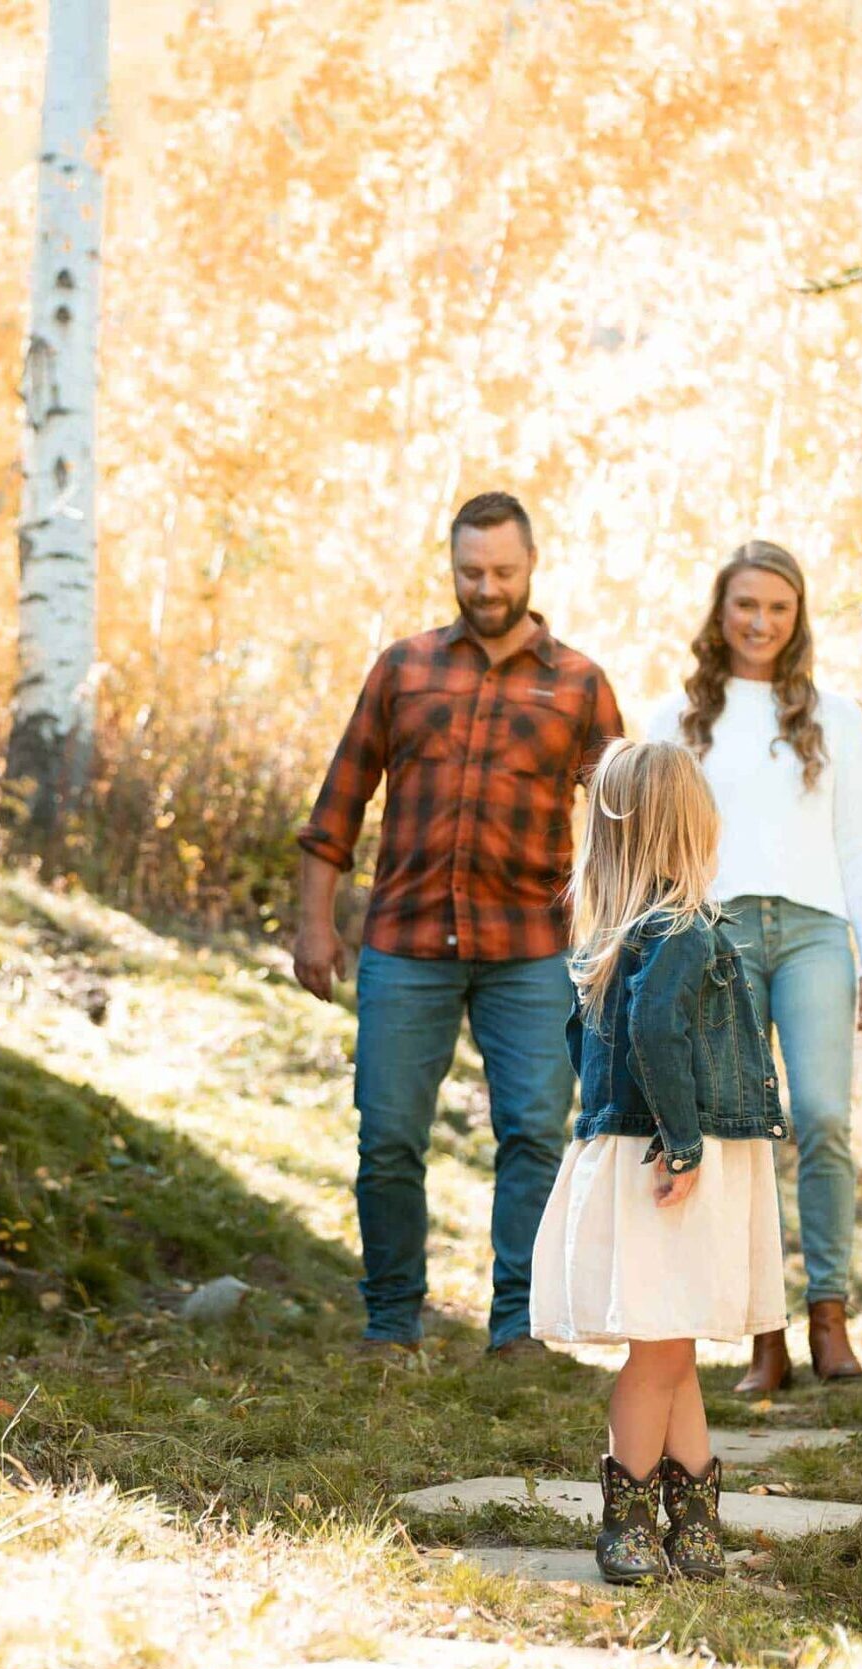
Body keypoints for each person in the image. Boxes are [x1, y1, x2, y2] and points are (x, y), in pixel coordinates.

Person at [294, 491, 623, 1359]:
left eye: (502, 571)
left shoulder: (580, 683)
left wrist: (622, 937)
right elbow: (338, 801)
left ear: (531, 566)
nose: (485, 587)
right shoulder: (401, 669)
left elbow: (621, 821)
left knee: (531, 1135)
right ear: (451, 566)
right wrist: (313, 925)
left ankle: (518, 1327)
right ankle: (391, 1322)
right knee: (389, 1136)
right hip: (405, 944)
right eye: (469, 571)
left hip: (529, 951)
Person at [529, 740, 788, 1584]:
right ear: (691, 827)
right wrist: (678, 1140)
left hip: (640, 1149)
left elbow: (592, 1053)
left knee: (671, 1348)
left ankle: (690, 1518)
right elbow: (653, 1035)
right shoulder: (680, 928)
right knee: (657, 1353)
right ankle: (631, 1515)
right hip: (673, 1157)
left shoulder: (620, 933)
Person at [647, 541, 862, 1391]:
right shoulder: (674, 719)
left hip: (815, 932)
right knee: (743, 1133)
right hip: (714, 938)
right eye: (745, 604)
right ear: (720, 611)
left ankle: (830, 1316)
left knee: (821, 1115)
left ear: (797, 618)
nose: (759, 621)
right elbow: (650, 847)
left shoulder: (836, 716)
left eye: (777, 608)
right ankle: (764, 1333)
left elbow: (859, 846)